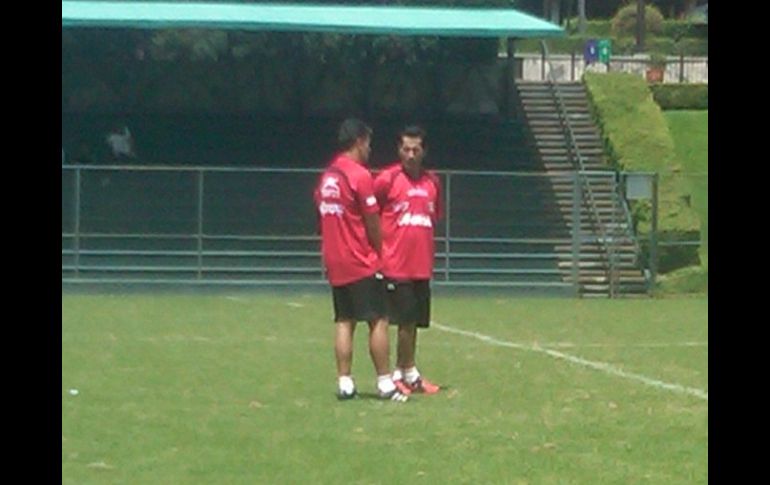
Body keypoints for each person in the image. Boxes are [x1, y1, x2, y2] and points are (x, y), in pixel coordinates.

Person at [314, 118, 408, 402]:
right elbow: (372, 220)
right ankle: (385, 382)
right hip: (359, 259)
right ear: (358, 141)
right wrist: (380, 251)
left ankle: (345, 381)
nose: (370, 148)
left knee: (344, 320)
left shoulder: (328, 176)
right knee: (378, 319)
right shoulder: (359, 175)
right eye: (368, 142)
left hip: (335, 260)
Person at [374, 125, 441, 396]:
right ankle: (400, 373)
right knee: (402, 321)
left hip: (421, 264)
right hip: (395, 263)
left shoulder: (432, 182)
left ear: (424, 151)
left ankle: (408, 373)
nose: (411, 155)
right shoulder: (387, 180)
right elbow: (371, 214)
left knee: (413, 322)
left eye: (416, 149)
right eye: (406, 149)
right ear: (398, 150)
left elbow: (433, 218)